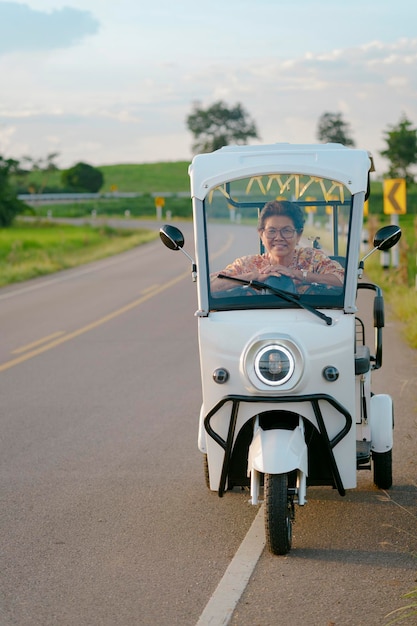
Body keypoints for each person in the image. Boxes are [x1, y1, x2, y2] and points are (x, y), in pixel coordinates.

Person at [210, 200, 344, 293]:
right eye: (272, 231)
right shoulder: (248, 265)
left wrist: (299, 275)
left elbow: (343, 280)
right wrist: (254, 277)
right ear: (261, 235)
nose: (279, 238)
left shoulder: (312, 259)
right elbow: (211, 286)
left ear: (299, 235)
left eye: (286, 231)